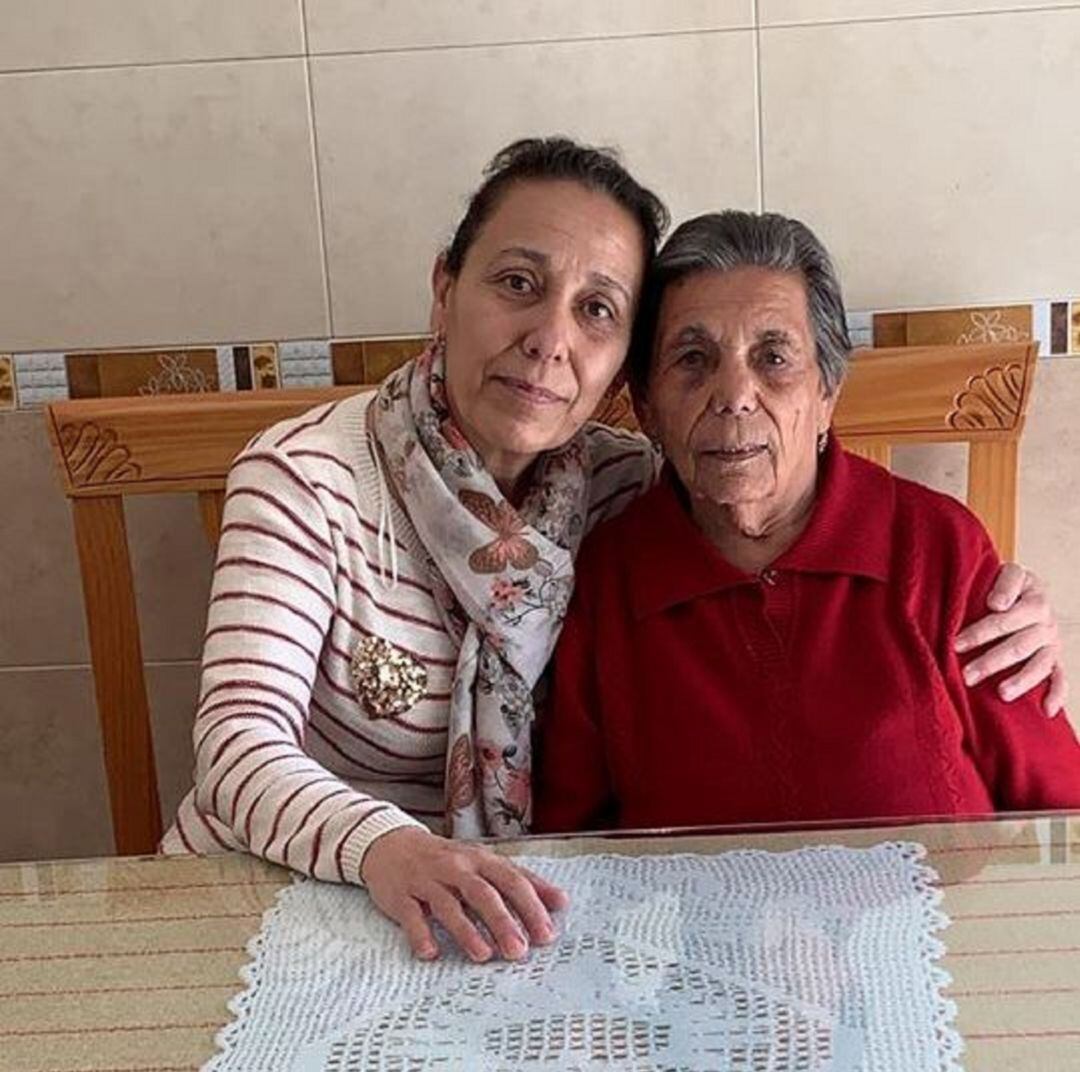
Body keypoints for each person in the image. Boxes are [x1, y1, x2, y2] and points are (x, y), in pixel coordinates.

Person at [162, 139, 1066, 963]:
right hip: (291, 904)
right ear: (446, 289)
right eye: (517, 282)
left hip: (505, 927)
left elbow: (1058, 809)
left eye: (595, 309)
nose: (549, 340)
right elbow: (238, 747)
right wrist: (394, 849)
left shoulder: (617, 488)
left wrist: (1020, 609)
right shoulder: (314, 479)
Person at [534, 210, 1080, 835]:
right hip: (694, 907)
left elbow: (1064, 816)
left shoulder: (937, 548)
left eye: (773, 358)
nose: (734, 395)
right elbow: (571, 845)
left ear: (827, 393)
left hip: (939, 902)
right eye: (692, 358)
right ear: (647, 406)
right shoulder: (611, 577)